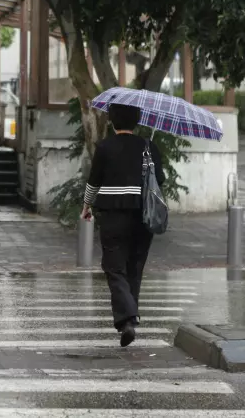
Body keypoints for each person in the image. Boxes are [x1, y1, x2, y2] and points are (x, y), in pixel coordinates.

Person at [81, 103, 165, 348]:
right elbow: (159, 181)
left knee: (114, 268)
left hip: (113, 216)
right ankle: (131, 317)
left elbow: (93, 181)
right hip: (143, 216)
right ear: (137, 121)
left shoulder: (105, 147)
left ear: (113, 121)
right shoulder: (149, 146)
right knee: (134, 268)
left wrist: (86, 205)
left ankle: (127, 319)